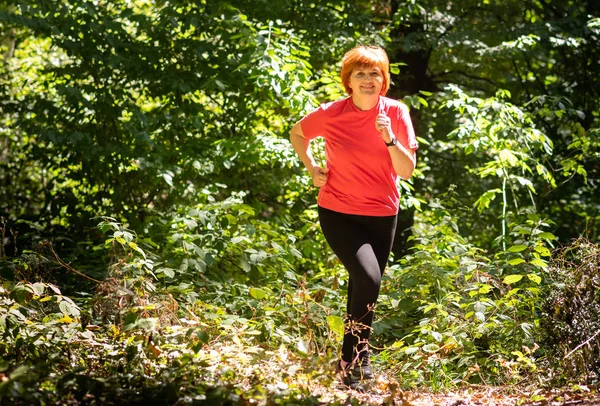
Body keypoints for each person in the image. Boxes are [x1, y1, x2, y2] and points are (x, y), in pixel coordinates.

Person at [289, 45, 418, 390]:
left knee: (364, 287)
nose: (367, 80)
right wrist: (312, 166)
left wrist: (389, 138)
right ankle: (360, 362)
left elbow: (406, 171)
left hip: (382, 214)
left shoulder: (396, 112)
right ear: (348, 80)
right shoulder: (331, 113)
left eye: (374, 73)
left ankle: (349, 364)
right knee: (368, 277)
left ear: (384, 79)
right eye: (360, 73)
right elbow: (297, 133)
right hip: (338, 211)